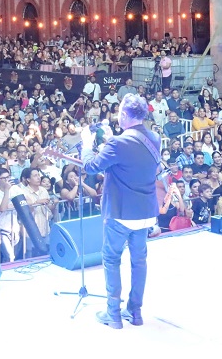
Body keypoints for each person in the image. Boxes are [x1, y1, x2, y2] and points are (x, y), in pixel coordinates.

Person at [76, 93, 161, 329]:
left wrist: (86, 144)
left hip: (121, 213)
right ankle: (135, 312)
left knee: (111, 259)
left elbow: (91, 165)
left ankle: (113, 314)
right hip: (145, 212)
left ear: (124, 115)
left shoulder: (118, 143)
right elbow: (132, 160)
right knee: (139, 262)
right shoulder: (154, 138)